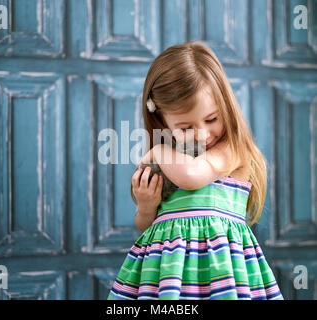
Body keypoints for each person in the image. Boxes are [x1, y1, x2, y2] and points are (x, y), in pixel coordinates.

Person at [107, 41, 283, 300]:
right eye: (186, 127)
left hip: (221, 272)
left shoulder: (233, 150)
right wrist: (146, 205)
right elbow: (147, 227)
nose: (202, 134)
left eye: (212, 119)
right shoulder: (172, 162)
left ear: (226, 106)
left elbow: (191, 176)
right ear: (162, 120)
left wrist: (157, 151)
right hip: (166, 276)